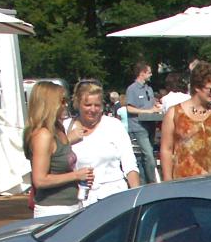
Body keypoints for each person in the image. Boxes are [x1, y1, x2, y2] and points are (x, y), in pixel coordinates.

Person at [159, 63, 211, 180]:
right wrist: (167, 182)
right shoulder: (174, 113)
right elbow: (166, 150)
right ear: (197, 87)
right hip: (184, 181)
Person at [66, 80, 140, 206]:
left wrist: (136, 199)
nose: (93, 110)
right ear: (78, 104)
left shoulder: (114, 125)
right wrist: (67, 140)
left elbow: (130, 165)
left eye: (97, 105)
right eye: (88, 105)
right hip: (78, 199)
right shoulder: (66, 127)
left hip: (113, 197)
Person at [24, 81, 91, 217]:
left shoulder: (58, 128)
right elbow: (40, 180)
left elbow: (57, 154)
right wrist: (76, 175)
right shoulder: (43, 135)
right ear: (50, 104)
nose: (65, 104)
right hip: (53, 209)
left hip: (72, 205)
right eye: (62, 101)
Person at [124, 61, 161, 183]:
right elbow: (129, 108)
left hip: (150, 125)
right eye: (149, 72)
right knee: (149, 155)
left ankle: (146, 180)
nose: (151, 75)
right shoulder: (132, 89)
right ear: (142, 73)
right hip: (138, 126)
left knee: (148, 155)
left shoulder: (149, 89)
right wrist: (147, 111)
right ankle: (152, 182)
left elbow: (151, 105)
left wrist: (155, 107)